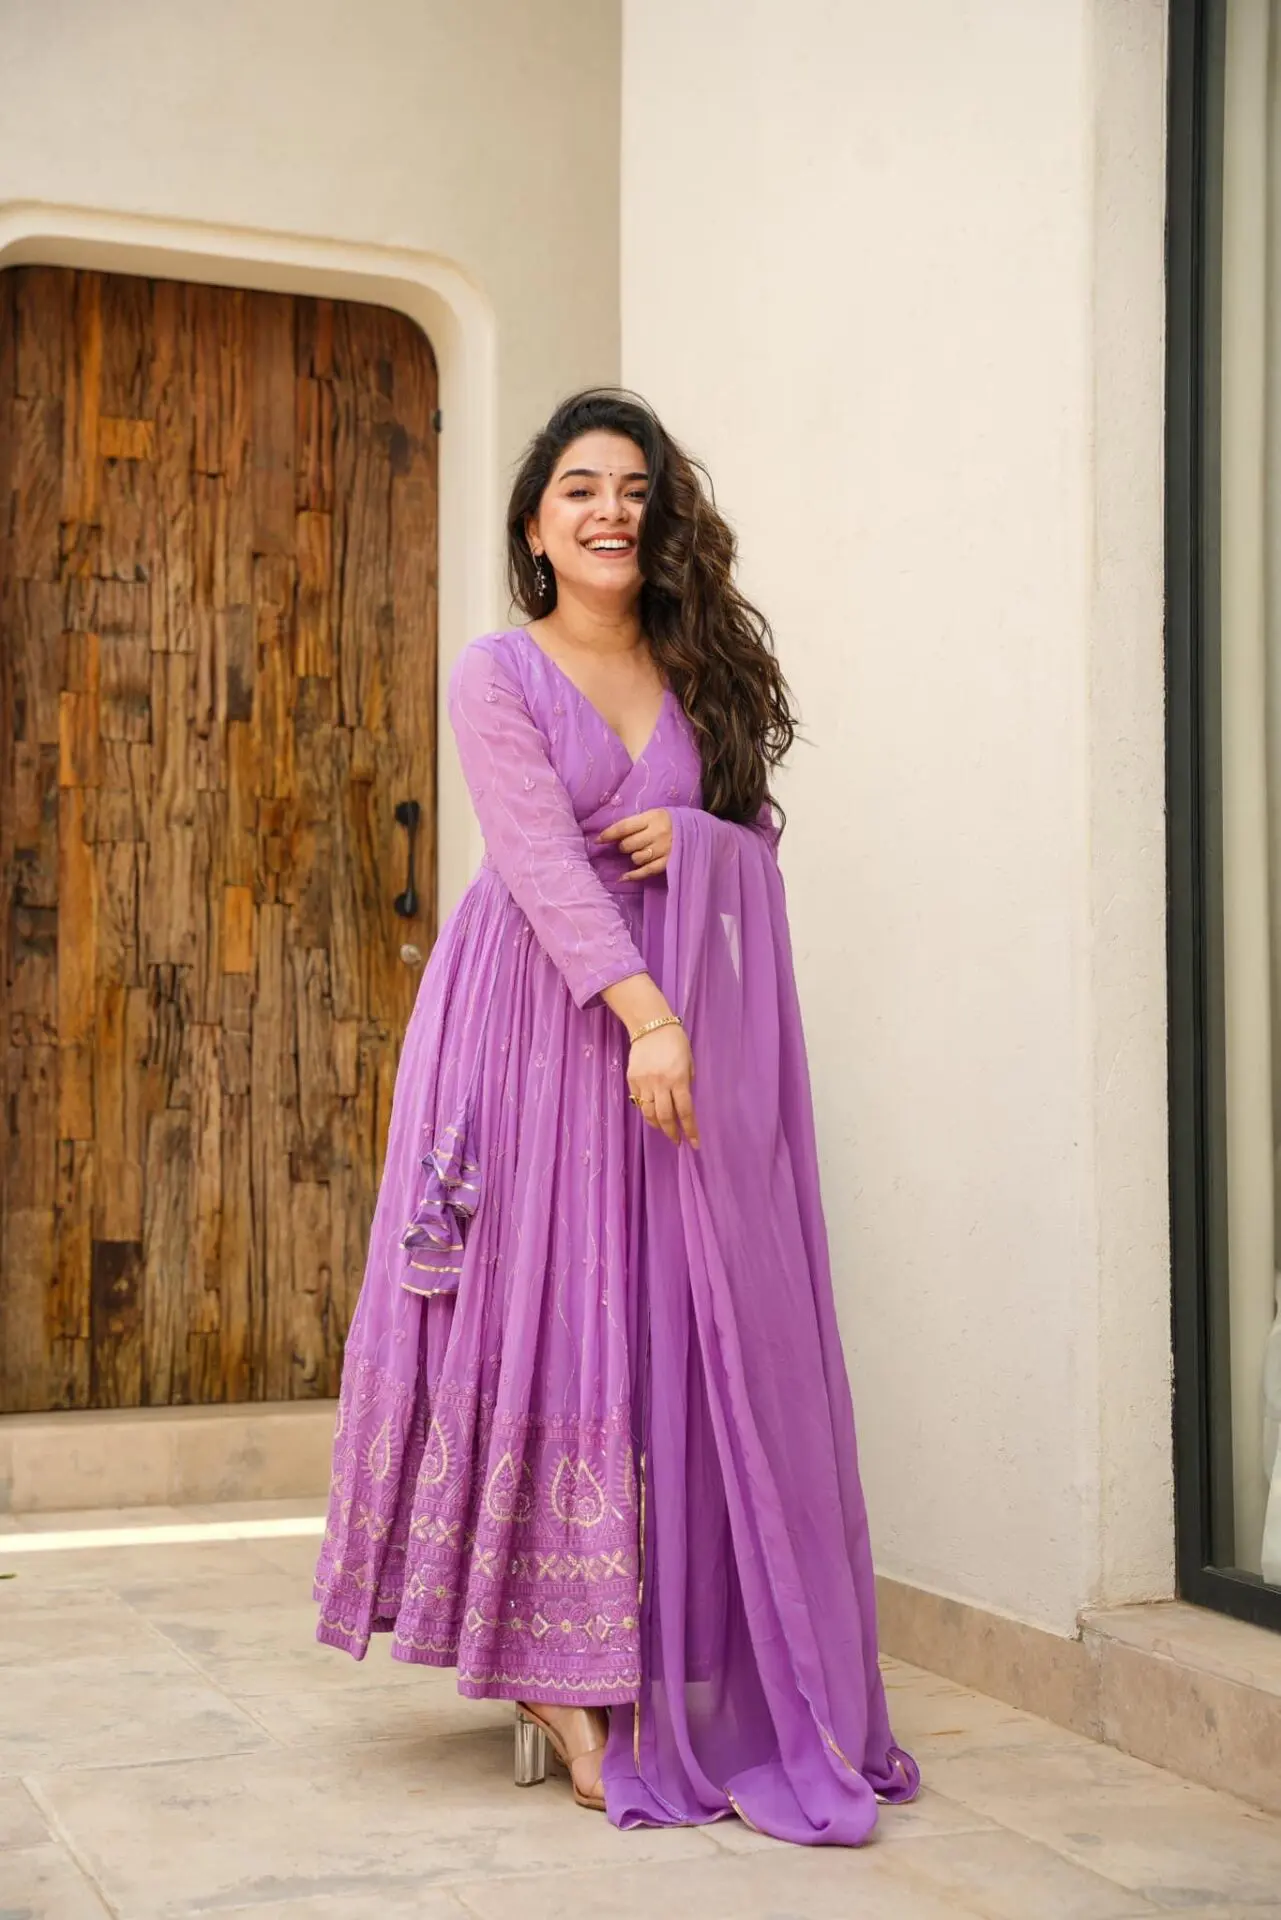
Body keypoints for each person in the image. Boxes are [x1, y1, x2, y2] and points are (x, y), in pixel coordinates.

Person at [314, 389, 919, 1843]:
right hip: (534, 1025)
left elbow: (755, 840)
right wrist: (645, 1014)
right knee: (536, 1307)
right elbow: (536, 858)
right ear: (535, 526)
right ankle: (547, 1669)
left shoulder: (692, 668)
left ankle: (637, 1643)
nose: (610, 511)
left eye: (634, 490)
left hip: (668, 1042)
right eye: (579, 488)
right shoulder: (498, 674)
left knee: (649, 1318)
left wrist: (700, 840)